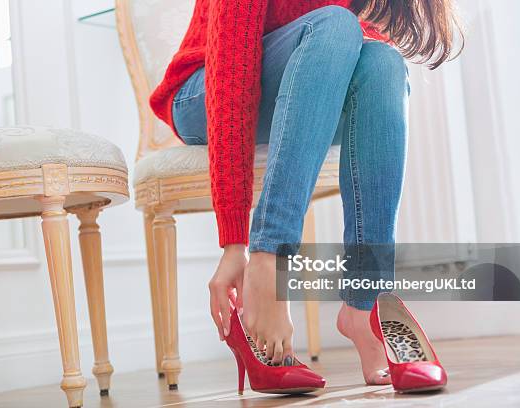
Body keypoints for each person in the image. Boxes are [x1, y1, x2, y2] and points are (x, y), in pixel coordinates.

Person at [150, 0, 463, 385]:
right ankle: (271, 262)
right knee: (336, 24)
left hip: (305, 76)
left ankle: (366, 303)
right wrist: (237, 243)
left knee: (383, 62)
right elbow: (230, 69)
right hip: (204, 89)